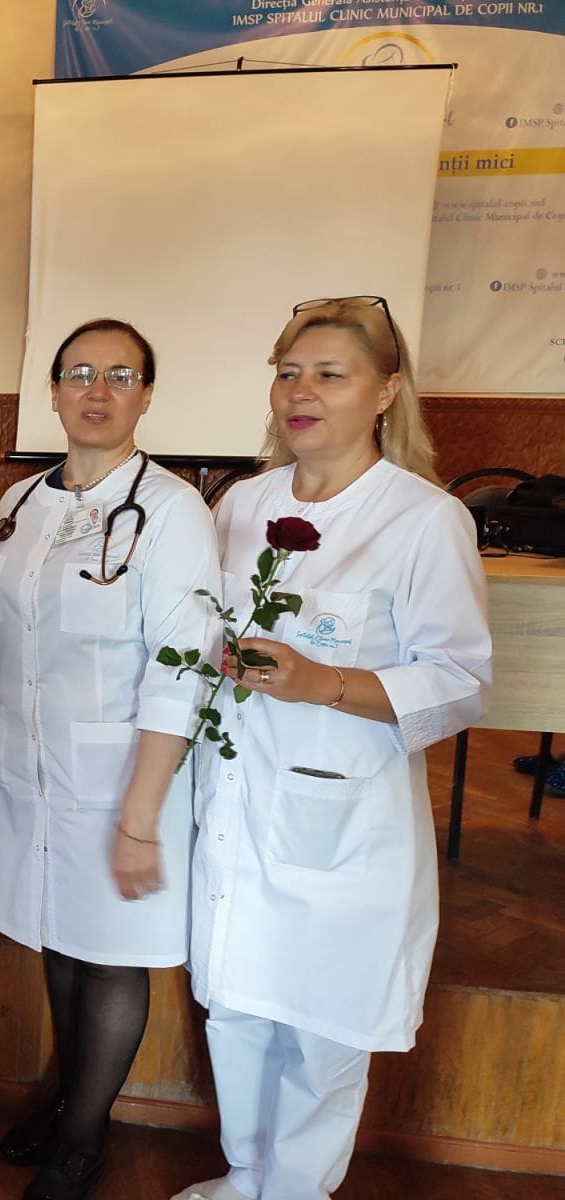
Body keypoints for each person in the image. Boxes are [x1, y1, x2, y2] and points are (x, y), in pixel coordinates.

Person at [173, 297, 491, 1200]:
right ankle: (245, 1177)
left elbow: (461, 680)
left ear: (386, 391)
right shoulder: (241, 504)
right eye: (288, 374)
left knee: (322, 1028)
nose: (300, 393)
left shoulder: (422, 519)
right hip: (234, 801)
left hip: (342, 816)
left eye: (328, 374)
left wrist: (325, 683)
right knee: (236, 1006)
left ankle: (295, 1191)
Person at [0, 319, 219, 1199]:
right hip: (27, 768)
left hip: (122, 777)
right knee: (60, 936)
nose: (97, 390)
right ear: (51, 391)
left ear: (146, 396)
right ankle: (64, 1100)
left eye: (121, 375)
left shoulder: (173, 512)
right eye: (80, 373)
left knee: (111, 954)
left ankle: (83, 1138)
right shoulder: (19, 503)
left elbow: (182, 665)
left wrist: (141, 817)